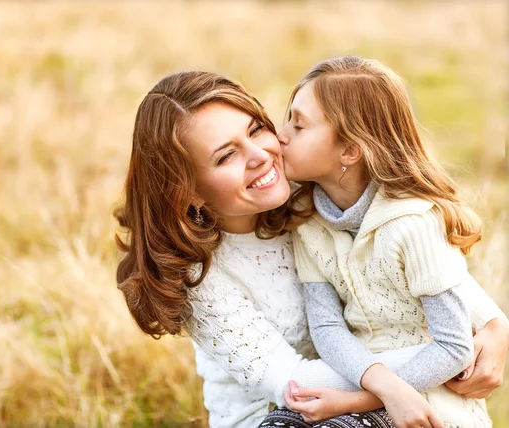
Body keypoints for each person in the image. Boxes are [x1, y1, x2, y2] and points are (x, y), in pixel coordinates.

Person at [114, 70, 509, 428]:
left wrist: (494, 326)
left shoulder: (312, 202)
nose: (261, 156)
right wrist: (449, 352)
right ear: (189, 191)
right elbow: (296, 385)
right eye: (226, 156)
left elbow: (421, 269)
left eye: (255, 130)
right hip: (279, 415)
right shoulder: (200, 278)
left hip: (370, 395)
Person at [277, 56, 509, 428]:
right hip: (359, 381)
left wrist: (357, 402)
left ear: (350, 151)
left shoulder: (414, 224)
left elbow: (453, 347)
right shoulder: (307, 221)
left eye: (299, 125)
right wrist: (367, 391)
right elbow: (326, 328)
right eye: (288, 118)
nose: (281, 135)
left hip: (430, 399)